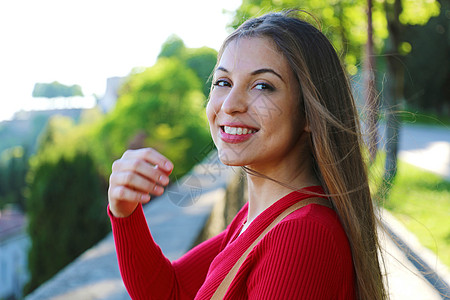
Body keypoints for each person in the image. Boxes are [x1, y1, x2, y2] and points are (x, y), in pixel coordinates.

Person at [108, 10, 386, 300]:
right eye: (223, 82)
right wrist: (125, 212)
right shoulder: (257, 219)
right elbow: (170, 291)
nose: (230, 104)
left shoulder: (301, 236)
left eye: (262, 86)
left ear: (310, 113)